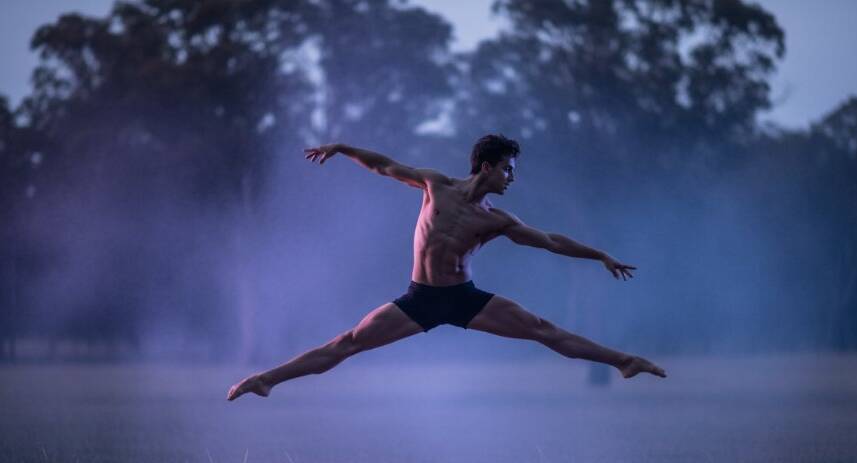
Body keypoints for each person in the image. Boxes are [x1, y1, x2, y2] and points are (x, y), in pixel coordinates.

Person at [227, 134, 665, 401]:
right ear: (487, 167)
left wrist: (600, 256)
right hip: (420, 298)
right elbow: (384, 165)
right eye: (508, 170)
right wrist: (342, 148)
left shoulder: (497, 220)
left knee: (543, 330)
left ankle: (624, 361)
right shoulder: (435, 184)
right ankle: (266, 380)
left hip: (463, 299)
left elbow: (550, 241)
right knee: (346, 343)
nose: (512, 178)